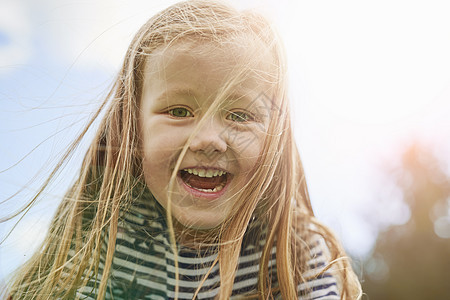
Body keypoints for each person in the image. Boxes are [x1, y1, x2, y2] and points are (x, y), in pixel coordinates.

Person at [4, 1, 362, 299]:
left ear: (275, 139)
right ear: (133, 128)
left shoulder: (297, 253)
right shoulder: (104, 239)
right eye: (178, 111)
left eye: (239, 115)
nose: (208, 139)